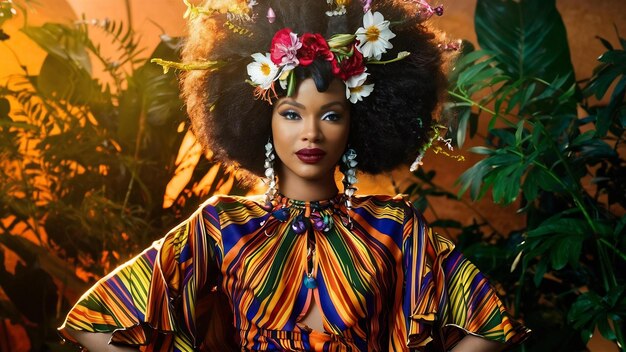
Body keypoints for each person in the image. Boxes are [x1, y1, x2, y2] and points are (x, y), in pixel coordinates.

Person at [59, 0, 530, 350]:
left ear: (356, 123)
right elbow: (95, 323)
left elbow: (488, 326)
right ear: (261, 118)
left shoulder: (395, 228)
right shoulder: (223, 227)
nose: (310, 133)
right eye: (290, 114)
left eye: (330, 115)